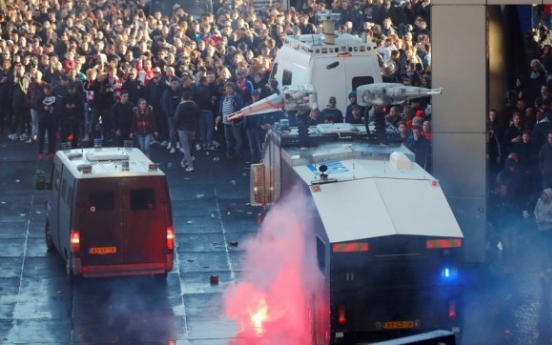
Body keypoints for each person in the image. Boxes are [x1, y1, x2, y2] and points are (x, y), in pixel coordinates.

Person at [216, 82, 244, 159]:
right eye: (226, 89)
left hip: (235, 122)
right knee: (228, 138)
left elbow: (239, 110)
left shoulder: (237, 98)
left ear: (233, 89)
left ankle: (239, 153)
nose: (228, 91)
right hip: (226, 122)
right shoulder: (223, 96)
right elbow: (221, 106)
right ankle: (229, 153)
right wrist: (219, 115)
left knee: (238, 138)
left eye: (229, 89)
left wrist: (233, 118)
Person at [174, 91, 200, 172]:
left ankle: (190, 165)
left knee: (185, 147)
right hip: (192, 128)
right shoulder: (194, 105)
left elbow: (177, 118)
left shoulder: (180, 106)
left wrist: (175, 128)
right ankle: (184, 161)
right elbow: (198, 115)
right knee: (188, 146)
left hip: (182, 128)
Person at [34, 83, 57, 160]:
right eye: (46, 90)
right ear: (44, 90)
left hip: (52, 120)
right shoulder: (40, 97)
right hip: (42, 120)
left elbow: (58, 106)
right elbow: (36, 107)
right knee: (41, 137)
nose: (47, 91)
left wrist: (53, 109)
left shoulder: (54, 97)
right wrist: (44, 108)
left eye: (48, 90)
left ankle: (51, 152)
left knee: (52, 137)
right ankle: (40, 153)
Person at [59, 82, 84, 148]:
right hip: (66, 117)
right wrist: (66, 107)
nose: (71, 90)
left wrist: (75, 106)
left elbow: (81, 107)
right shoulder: (65, 97)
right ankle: (64, 146)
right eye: (70, 89)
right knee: (65, 133)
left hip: (76, 117)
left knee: (76, 134)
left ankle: (74, 147)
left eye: (72, 89)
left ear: (75, 89)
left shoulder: (78, 97)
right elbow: (61, 107)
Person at [244, 89, 265, 163]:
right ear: (251, 96)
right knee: (252, 146)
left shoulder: (261, 104)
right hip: (249, 127)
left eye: (256, 95)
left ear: (258, 96)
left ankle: (262, 161)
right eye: (253, 95)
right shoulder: (248, 104)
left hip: (258, 128)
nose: (254, 96)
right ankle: (254, 161)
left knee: (260, 146)